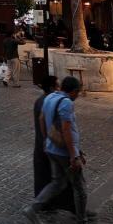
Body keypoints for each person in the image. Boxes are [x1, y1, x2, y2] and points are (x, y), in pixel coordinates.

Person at [23, 76, 102, 224]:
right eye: (78, 92)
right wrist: (74, 156)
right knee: (80, 188)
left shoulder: (50, 97)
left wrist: (45, 140)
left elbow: (41, 119)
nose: (78, 95)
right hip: (64, 153)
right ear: (73, 91)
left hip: (52, 149)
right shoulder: (66, 103)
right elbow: (66, 130)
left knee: (57, 183)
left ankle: (33, 209)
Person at [33, 76, 76, 214]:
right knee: (63, 179)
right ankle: (73, 209)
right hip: (50, 145)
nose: (60, 89)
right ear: (52, 88)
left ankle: (44, 205)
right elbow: (59, 127)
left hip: (45, 144)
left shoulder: (44, 101)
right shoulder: (48, 101)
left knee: (50, 178)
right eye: (58, 86)